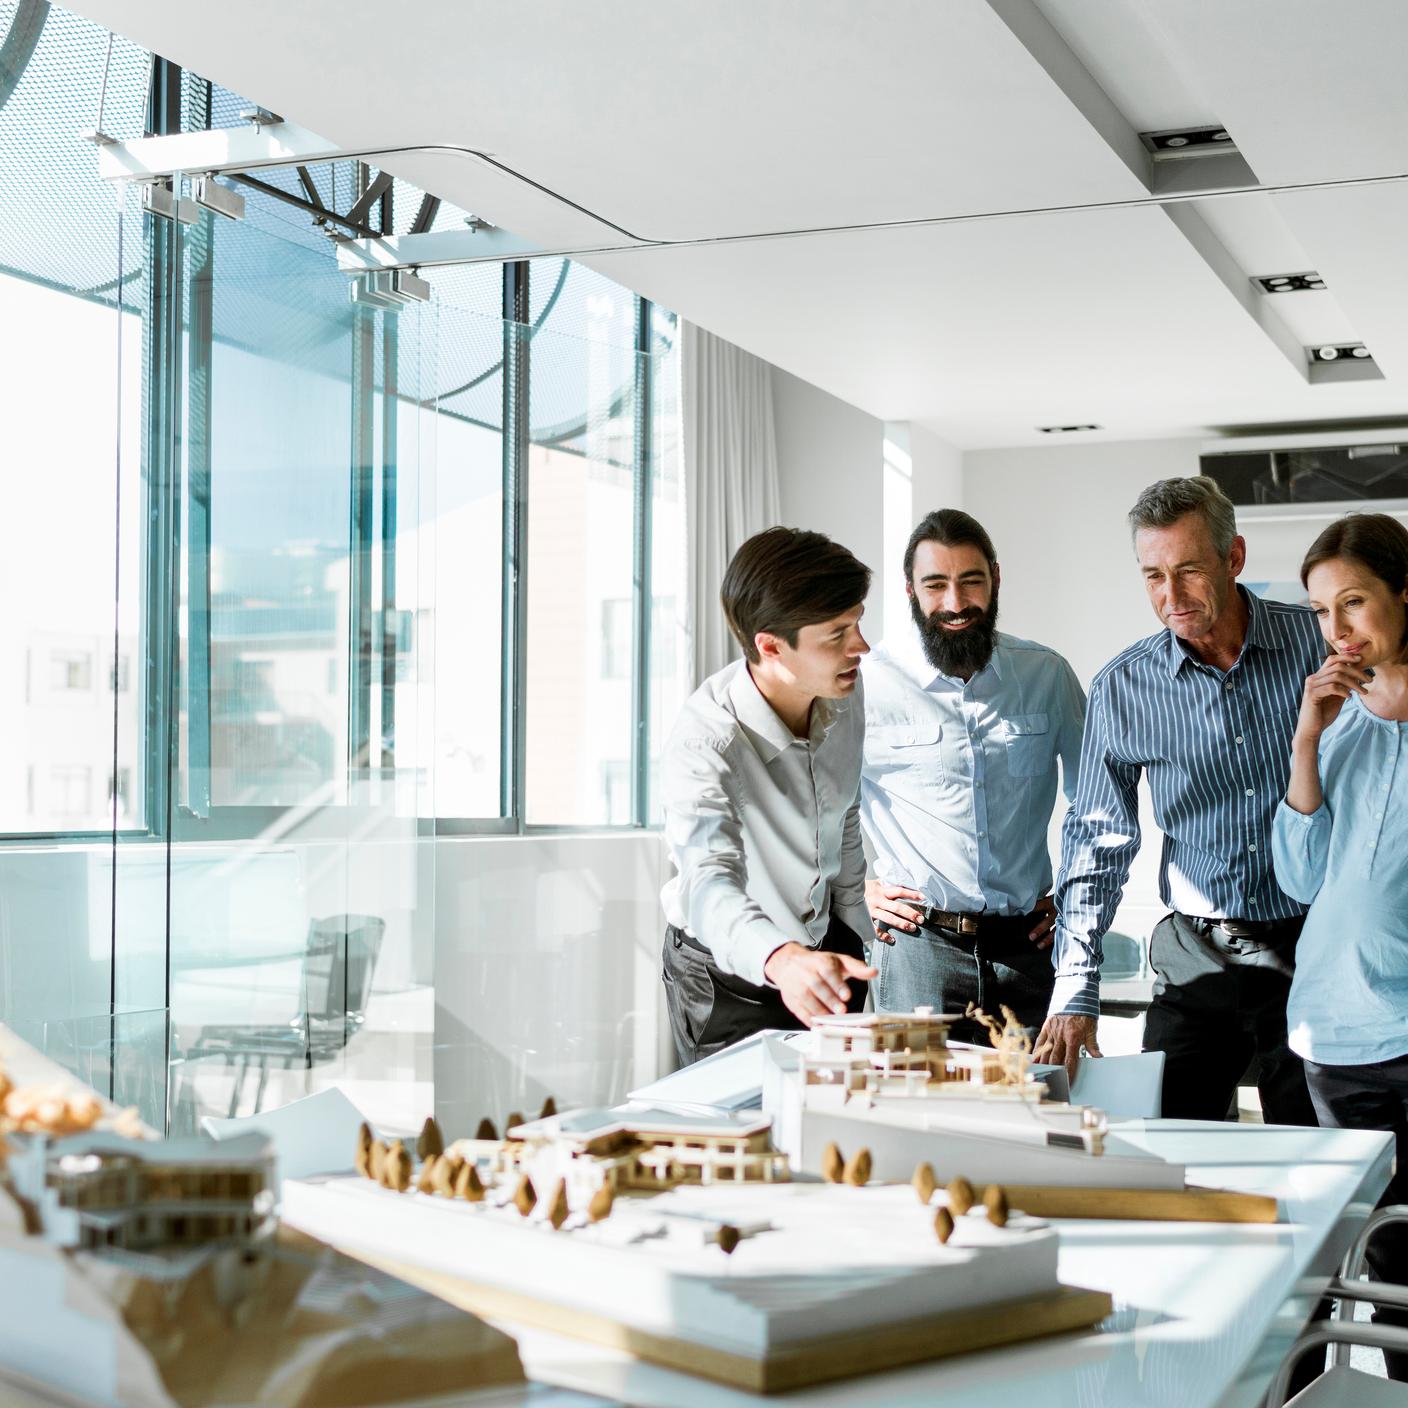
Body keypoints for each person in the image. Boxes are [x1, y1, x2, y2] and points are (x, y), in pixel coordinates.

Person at [1035, 475, 1322, 1131]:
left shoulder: (1315, 644)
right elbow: (1097, 843)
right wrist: (1075, 984)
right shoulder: (1125, 686)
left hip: (1314, 947)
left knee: (1318, 1157)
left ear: (1234, 558)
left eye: (1188, 570)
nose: (1171, 596)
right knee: (1168, 1154)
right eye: (1153, 576)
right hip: (1198, 956)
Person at [860, 509, 1086, 1042]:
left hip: (1027, 948)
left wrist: (1075, 897)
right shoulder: (870, 682)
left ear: (997, 578)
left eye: (971, 581)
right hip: (918, 947)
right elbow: (822, 805)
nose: (955, 604)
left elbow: (1095, 801)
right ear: (910, 590)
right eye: (935, 584)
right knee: (921, 1114)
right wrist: (856, 891)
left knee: (1035, 1110)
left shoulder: (1046, 674)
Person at [659, 526, 878, 1066]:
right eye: (838, 634)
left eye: (858, 624)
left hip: (826, 948)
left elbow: (843, 815)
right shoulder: (705, 740)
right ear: (771, 645)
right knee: (747, 1137)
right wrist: (782, 959)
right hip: (726, 974)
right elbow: (707, 884)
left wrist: (858, 936)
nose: (861, 648)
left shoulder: (844, 690)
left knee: (835, 1126)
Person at [1273, 512, 1408, 1378]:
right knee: (1359, 1262)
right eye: (1323, 612)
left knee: (1407, 1265)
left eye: (1353, 601)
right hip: (1332, 1035)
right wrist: (1307, 739)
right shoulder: (1346, 723)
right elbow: (1297, 875)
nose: (1338, 630)